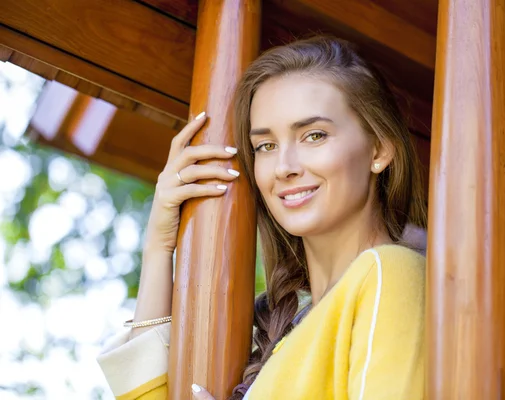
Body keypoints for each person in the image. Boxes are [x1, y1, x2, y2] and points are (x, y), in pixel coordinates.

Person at [97, 36, 427, 400]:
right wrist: (159, 247)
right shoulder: (282, 335)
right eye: (266, 146)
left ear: (379, 149)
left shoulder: (390, 273)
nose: (284, 168)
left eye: (314, 136)